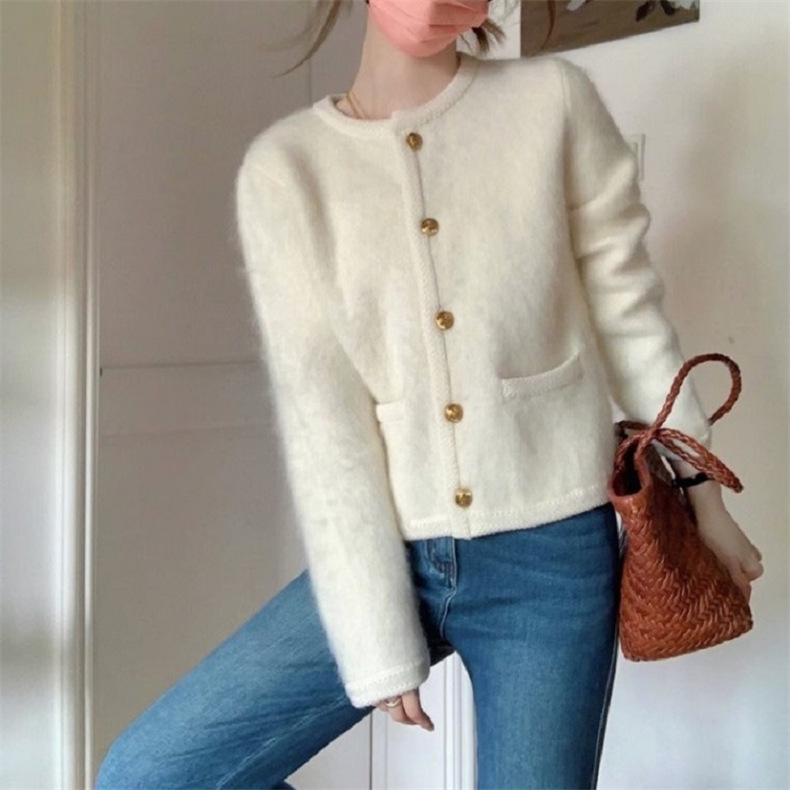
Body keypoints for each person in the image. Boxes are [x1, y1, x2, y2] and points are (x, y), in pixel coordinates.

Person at [94, 1, 764, 788]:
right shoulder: (288, 170)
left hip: (552, 561)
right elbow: (323, 420)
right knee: (149, 773)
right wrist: (373, 636)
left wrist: (701, 498)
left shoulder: (552, 103)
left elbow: (629, 316)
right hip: (390, 553)